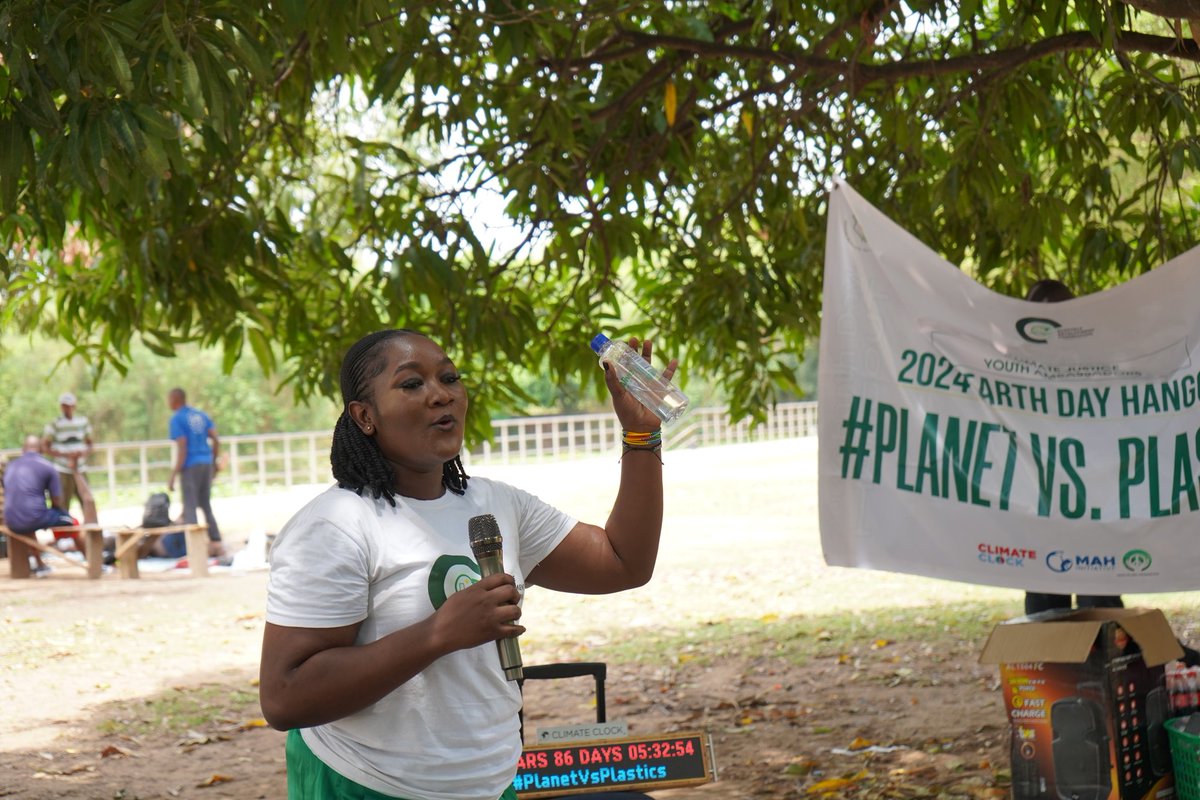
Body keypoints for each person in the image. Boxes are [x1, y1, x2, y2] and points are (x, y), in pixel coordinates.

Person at [259, 329, 675, 800]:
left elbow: (623, 562)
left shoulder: (498, 504)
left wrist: (642, 435)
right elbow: (284, 696)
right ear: (365, 416)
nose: (441, 395)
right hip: (366, 783)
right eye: (412, 384)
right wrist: (438, 634)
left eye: (450, 378)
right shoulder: (336, 525)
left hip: (488, 783)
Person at [1022, 278, 1124, 615]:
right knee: (1044, 611)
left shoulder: (1101, 367)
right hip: (1040, 510)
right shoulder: (1015, 375)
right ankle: (1051, 669)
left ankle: (1110, 665)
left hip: (1094, 507)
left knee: (1101, 607)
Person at [3, 435, 77, 574]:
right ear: (41, 450)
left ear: (23, 449)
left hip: (10, 520)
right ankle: (91, 562)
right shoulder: (47, 466)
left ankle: (40, 564)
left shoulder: (11, 466)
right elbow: (56, 501)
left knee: (30, 518)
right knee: (72, 521)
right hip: (32, 518)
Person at [166, 388, 224, 559]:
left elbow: (182, 446)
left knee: (190, 506)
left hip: (191, 465)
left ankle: (194, 548)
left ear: (175, 399)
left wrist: (174, 474)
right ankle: (216, 541)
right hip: (206, 463)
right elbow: (216, 439)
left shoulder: (177, 418)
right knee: (205, 504)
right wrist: (213, 462)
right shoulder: (200, 415)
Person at [41, 391, 94, 520]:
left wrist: (81, 455)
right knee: (63, 502)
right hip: (62, 469)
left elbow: (90, 444)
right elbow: (45, 446)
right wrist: (65, 455)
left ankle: (90, 529)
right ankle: (64, 534)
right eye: (64, 405)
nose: (66, 408)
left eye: (68, 405)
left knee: (86, 499)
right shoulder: (55, 424)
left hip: (80, 468)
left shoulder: (83, 422)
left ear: (74, 406)